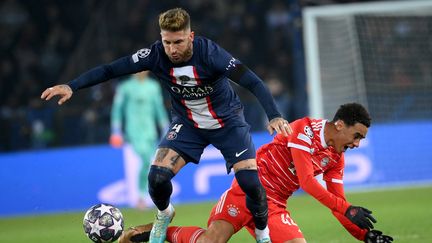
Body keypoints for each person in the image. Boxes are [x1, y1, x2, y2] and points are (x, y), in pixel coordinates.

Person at [40, 7, 292, 243]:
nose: (172, 49)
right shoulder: (154, 55)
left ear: (191, 36)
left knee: (250, 184)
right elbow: (110, 70)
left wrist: (274, 115)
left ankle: (262, 233)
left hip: (227, 123)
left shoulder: (211, 54)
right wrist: (71, 85)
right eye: (167, 41)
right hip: (188, 125)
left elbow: (253, 82)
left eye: (178, 42)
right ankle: (164, 214)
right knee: (157, 178)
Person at [119, 103, 394, 243]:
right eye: (356, 136)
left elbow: (340, 205)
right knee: (212, 241)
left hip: (273, 205)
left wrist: (362, 235)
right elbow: (309, 183)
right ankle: (153, 231)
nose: (357, 144)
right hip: (249, 188)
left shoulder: (337, 157)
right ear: (340, 124)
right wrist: (346, 210)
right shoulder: (304, 129)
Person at [109, 71, 169, 209]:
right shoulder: (125, 87)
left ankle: (151, 196)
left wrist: (165, 127)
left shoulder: (153, 86)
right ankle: (141, 196)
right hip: (133, 132)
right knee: (146, 161)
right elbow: (117, 109)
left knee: (153, 164)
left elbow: (158, 108)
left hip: (150, 132)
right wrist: (116, 131)